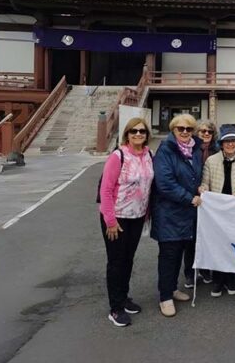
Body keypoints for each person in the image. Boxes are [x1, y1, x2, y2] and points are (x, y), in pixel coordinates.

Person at [99, 117, 155, 327]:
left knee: (128, 259)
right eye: (134, 131)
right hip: (117, 217)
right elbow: (106, 189)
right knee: (116, 262)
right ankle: (115, 308)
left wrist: (148, 213)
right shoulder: (118, 156)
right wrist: (110, 221)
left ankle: (124, 297)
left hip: (137, 216)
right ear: (127, 134)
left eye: (142, 131)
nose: (138, 134)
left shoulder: (149, 155)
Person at [151, 113, 203, 318]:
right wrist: (189, 197)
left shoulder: (194, 150)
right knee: (168, 255)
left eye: (188, 129)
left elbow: (194, 175)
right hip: (169, 212)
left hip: (187, 214)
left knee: (180, 251)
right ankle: (165, 297)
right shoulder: (165, 150)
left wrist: (200, 186)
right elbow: (165, 183)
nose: (184, 132)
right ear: (173, 130)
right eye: (180, 128)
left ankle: (172, 289)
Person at [199, 132, 235, 296]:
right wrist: (203, 189)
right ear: (221, 144)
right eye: (226, 142)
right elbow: (205, 181)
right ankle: (218, 279)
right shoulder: (211, 160)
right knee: (217, 244)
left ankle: (231, 278)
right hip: (216, 210)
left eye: (233, 141)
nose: (230, 145)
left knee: (233, 244)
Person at [186, 119, 219, 287]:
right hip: (193, 198)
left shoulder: (217, 150)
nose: (206, 134)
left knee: (208, 237)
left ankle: (206, 269)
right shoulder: (190, 150)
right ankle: (190, 272)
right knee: (191, 237)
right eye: (202, 131)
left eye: (209, 132)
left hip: (211, 200)